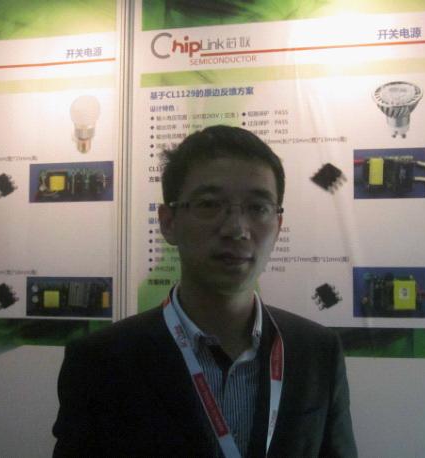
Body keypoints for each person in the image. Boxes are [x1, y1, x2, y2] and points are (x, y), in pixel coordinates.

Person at [52, 125, 357, 457]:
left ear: (278, 225)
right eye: (210, 204)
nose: (236, 229)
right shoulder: (102, 361)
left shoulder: (316, 352)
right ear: (168, 222)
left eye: (258, 208)